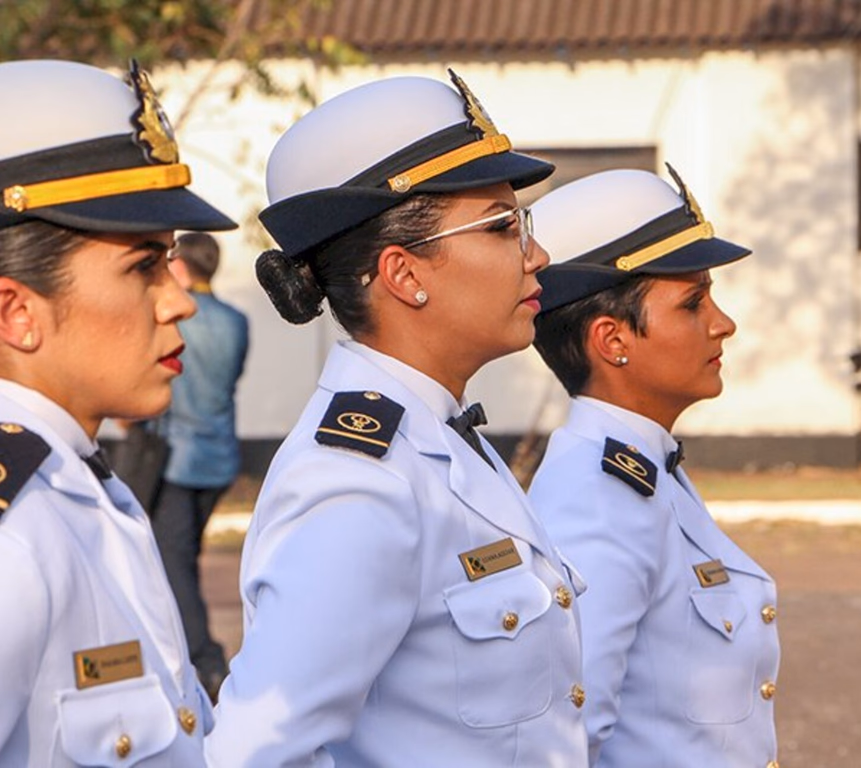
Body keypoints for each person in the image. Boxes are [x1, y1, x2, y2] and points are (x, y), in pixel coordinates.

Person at [205, 72, 588, 766]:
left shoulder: (443, 437)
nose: (538, 255)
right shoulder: (357, 481)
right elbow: (255, 752)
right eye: (503, 227)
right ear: (404, 275)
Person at [0, 59, 235, 766]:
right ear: (17, 313)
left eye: (170, 262)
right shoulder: (17, 536)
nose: (180, 299)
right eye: (143, 267)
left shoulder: (82, 487)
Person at [527, 167, 781, 767]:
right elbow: (568, 733)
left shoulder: (648, 469)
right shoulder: (597, 495)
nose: (723, 323)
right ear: (612, 339)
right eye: (693, 303)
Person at [149, 232, 249, 704]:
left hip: (175, 456)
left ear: (183, 268)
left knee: (176, 562)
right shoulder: (236, 321)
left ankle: (203, 660)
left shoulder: (177, 321)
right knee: (184, 556)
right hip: (220, 454)